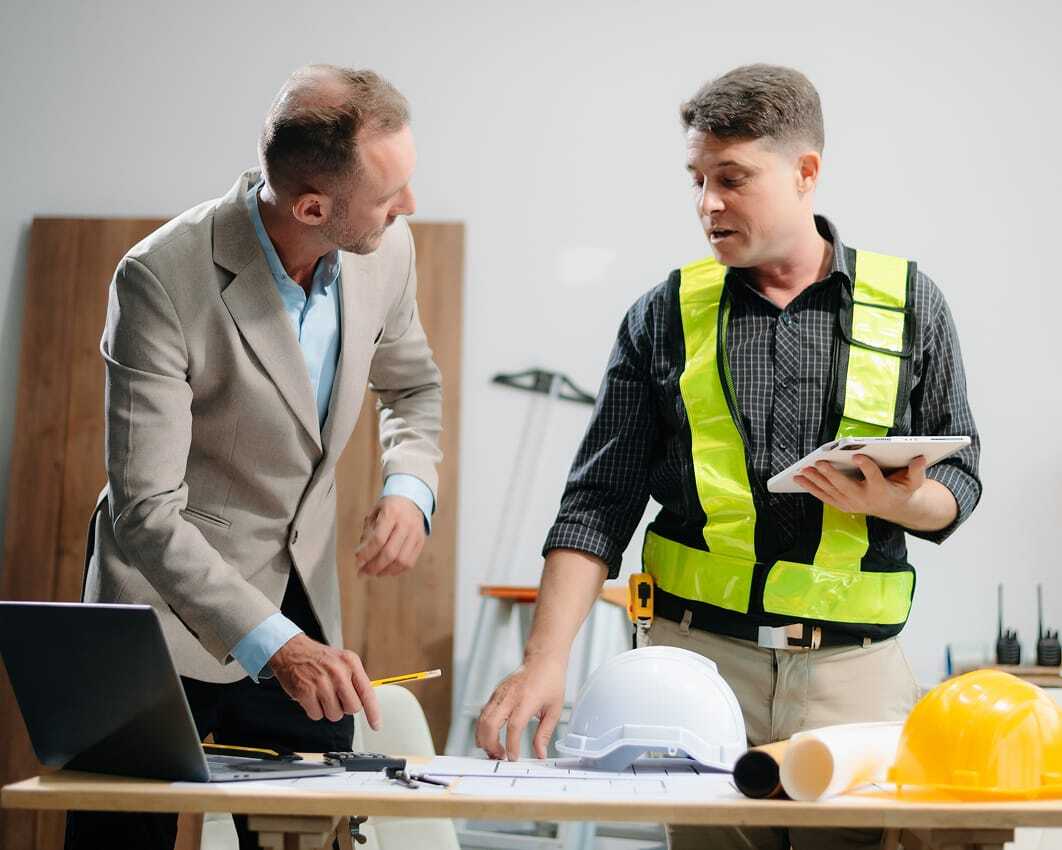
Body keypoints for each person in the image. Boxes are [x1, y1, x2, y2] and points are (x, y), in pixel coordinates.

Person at [476, 63, 980, 850]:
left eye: (732, 178)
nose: (709, 202)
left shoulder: (912, 303)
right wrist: (545, 664)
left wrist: (896, 503)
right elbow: (597, 504)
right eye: (698, 177)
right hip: (695, 672)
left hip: (854, 677)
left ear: (806, 172)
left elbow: (960, 477)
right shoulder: (663, 315)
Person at [71, 65, 443, 850]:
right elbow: (145, 509)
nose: (409, 207)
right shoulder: (159, 279)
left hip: (303, 602)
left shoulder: (388, 249)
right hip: (158, 614)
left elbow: (412, 391)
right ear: (313, 207)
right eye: (389, 195)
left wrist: (409, 487)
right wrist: (274, 643)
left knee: (310, 837)